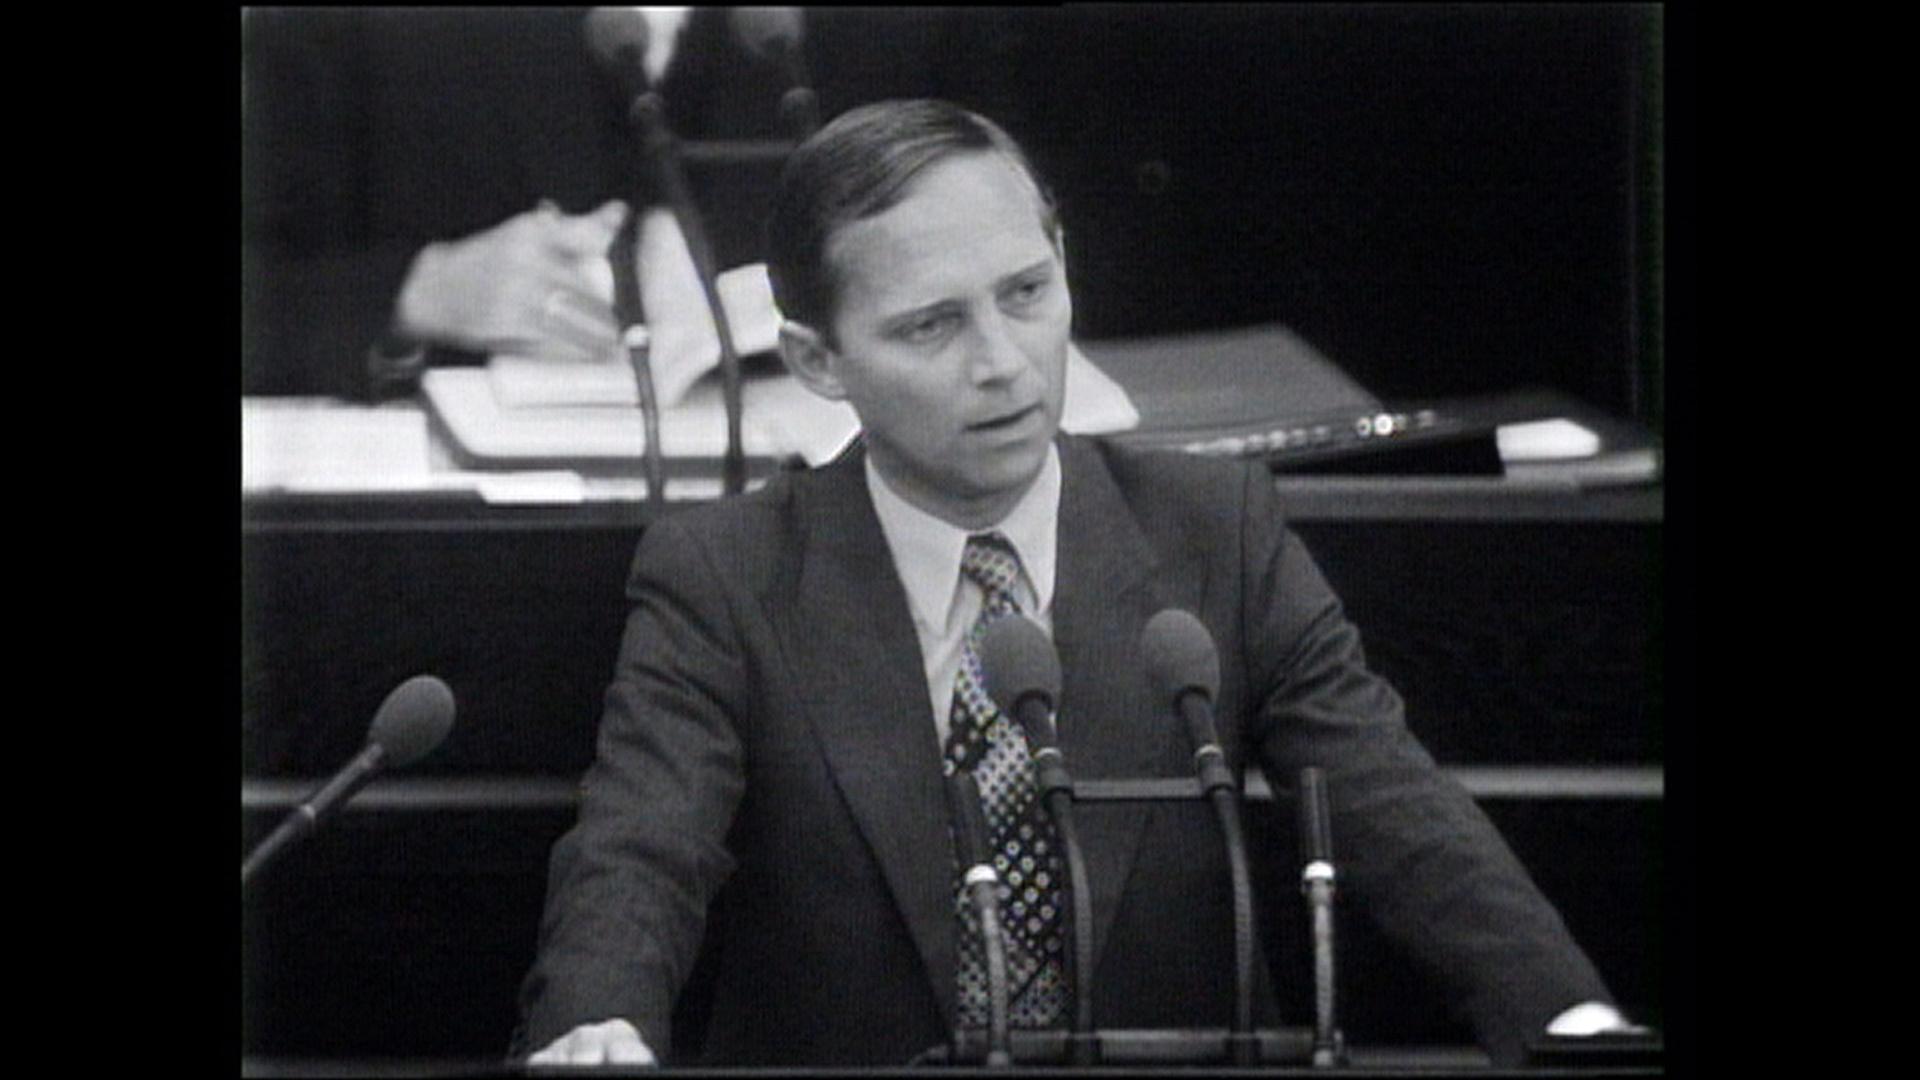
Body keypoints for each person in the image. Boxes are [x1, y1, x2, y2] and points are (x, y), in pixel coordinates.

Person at [516, 99, 1640, 1068]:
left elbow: (1395, 807)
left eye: (1026, 292)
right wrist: (597, 1022)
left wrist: (1567, 1017)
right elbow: (640, 850)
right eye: (931, 325)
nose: (1002, 360)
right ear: (818, 361)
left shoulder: (1216, 530)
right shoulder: (726, 573)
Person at [240, 8, 1035, 402]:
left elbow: (1048, 259)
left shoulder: (908, 26)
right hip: (463, 574)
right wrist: (417, 291)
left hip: (818, 554)